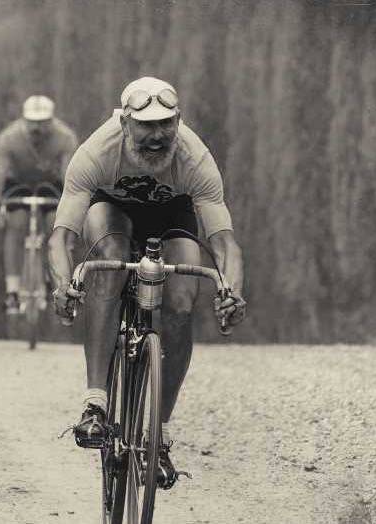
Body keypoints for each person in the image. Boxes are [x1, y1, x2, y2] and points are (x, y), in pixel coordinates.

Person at [48, 76, 247, 482]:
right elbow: (61, 237)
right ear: (124, 123)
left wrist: (231, 292)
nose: (157, 136)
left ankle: (160, 437)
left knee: (182, 297)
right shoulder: (95, 153)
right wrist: (63, 283)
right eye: (146, 126)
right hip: (112, 212)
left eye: (166, 124)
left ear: (179, 120)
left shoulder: (195, 158)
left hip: (172, 214)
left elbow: (225, 243)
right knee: (110, 261)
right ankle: (96, 405)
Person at [0, 95, 79, 314]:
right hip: (18, 185)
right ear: (24, 119)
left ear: (51, 120)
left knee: (54, 226)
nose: (37, 127)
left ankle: (52, 278)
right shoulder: (9, 138)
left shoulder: (65, 137)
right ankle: (12, 291)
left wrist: (73, 209)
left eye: (42, 122)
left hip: (52, 185)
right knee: (16, 224)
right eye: (32, 122)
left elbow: (70, 174)